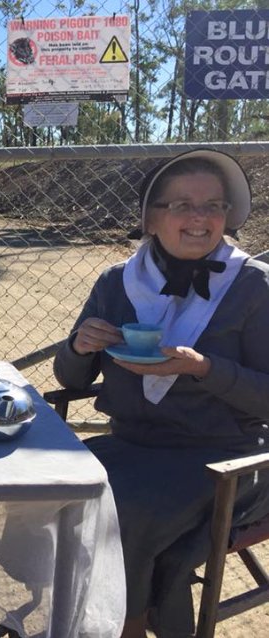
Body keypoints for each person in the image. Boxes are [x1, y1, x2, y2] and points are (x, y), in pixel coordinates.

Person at [53, 149, 269, 638]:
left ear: (228, 215)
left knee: (124, 511)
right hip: (132, 445)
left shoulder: (254, 286)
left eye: (213, 205)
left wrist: (207, 369)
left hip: (224, 458)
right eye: (182, 206)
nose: (200, 218)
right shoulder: (117, 281)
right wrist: (80, 346)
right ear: (150, 219)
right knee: (49, 493)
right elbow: (71, 380)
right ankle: (69, 617)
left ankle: (123, 626)